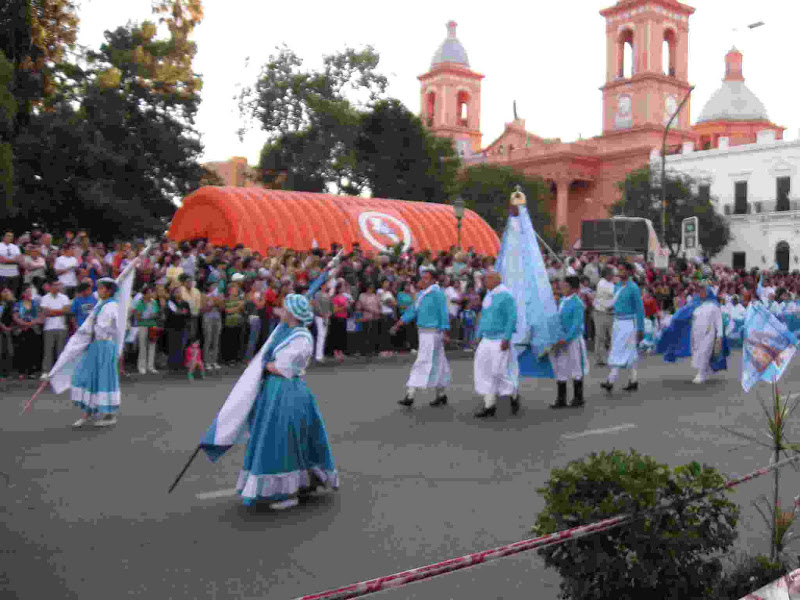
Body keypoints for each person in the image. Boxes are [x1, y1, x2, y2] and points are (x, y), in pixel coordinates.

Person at [200, 294, 338, 510]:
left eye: (284, 309)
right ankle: (300, 483)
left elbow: (283, 368)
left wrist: (263, 365)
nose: (280, 312)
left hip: (287, 391)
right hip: (276, 391)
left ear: (292, 314)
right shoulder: (287, 331)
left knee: (282, 438)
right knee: (282, 436)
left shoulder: (301, 338)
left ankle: (287, 492)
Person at [390, 268, 450, 407]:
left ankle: (410, 394)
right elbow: (412, 311)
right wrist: (398, 324)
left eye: (426, 278)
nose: (423, 280)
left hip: (433, 333)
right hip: (424, 332)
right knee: (437, 361)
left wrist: (445, 331)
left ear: (434, 280)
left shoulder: (437, 294)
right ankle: (441, 394)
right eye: (423, 278)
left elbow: (443, 313)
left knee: (423, 361)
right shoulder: (422, 295)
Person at [71, 278, 122, 428]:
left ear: (109, 290)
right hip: (95, 345)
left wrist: (90, 325)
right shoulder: (101, 304)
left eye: (100, 288)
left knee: (105, 379)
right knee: (88, 378)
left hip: (105, 345)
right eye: (98, 288)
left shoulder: (111, 306)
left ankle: (109, 414)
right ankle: (88, 412)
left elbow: (104, 327)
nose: (97, 291)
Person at [472, 270, 517, 418]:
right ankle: (489, 405)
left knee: (497, 371)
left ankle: (513, 393)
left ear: (496, 280)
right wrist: (478, 336)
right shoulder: (489, 296)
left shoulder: (506, 295)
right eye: (485, 279)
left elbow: (511, 318)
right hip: (486, 338)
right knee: (484, 370)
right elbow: (483, 318)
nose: (485, 281)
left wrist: (506, 338)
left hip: (499, 339)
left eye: (487, 279)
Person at [601, 262, 645, 393]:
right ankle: (633, 380)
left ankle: (611, 379)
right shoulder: (617, 286)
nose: (619, 272)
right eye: (618, 269)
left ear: (629, 272)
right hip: (617, 321)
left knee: (618, 349)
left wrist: (640, 328)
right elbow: (616, 304)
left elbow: (639, 309)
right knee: (628, 350)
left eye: (622, 270)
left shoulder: (633, 288)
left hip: (629, 323)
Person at [550, 276, 589, 409]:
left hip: (573, 340)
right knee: (561, 366)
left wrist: (566, 339)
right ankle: (561, 399)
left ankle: (578, 397)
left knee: (576, 367)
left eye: (565, 285)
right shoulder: (562, 301)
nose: (562, 287)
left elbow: (576, 325)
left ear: (573, 288)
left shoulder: (577, 303)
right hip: (561, 339)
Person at [593, 267, 615, 365]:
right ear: (607, 275)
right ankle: (599, 359)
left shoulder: (610, 283)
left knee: (612, 336)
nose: (613, 276)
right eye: (612, 274)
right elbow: (613, 292)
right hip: (601, 313)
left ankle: (612, 358)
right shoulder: (602, 283)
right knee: (601, 337)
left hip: (610, 313)